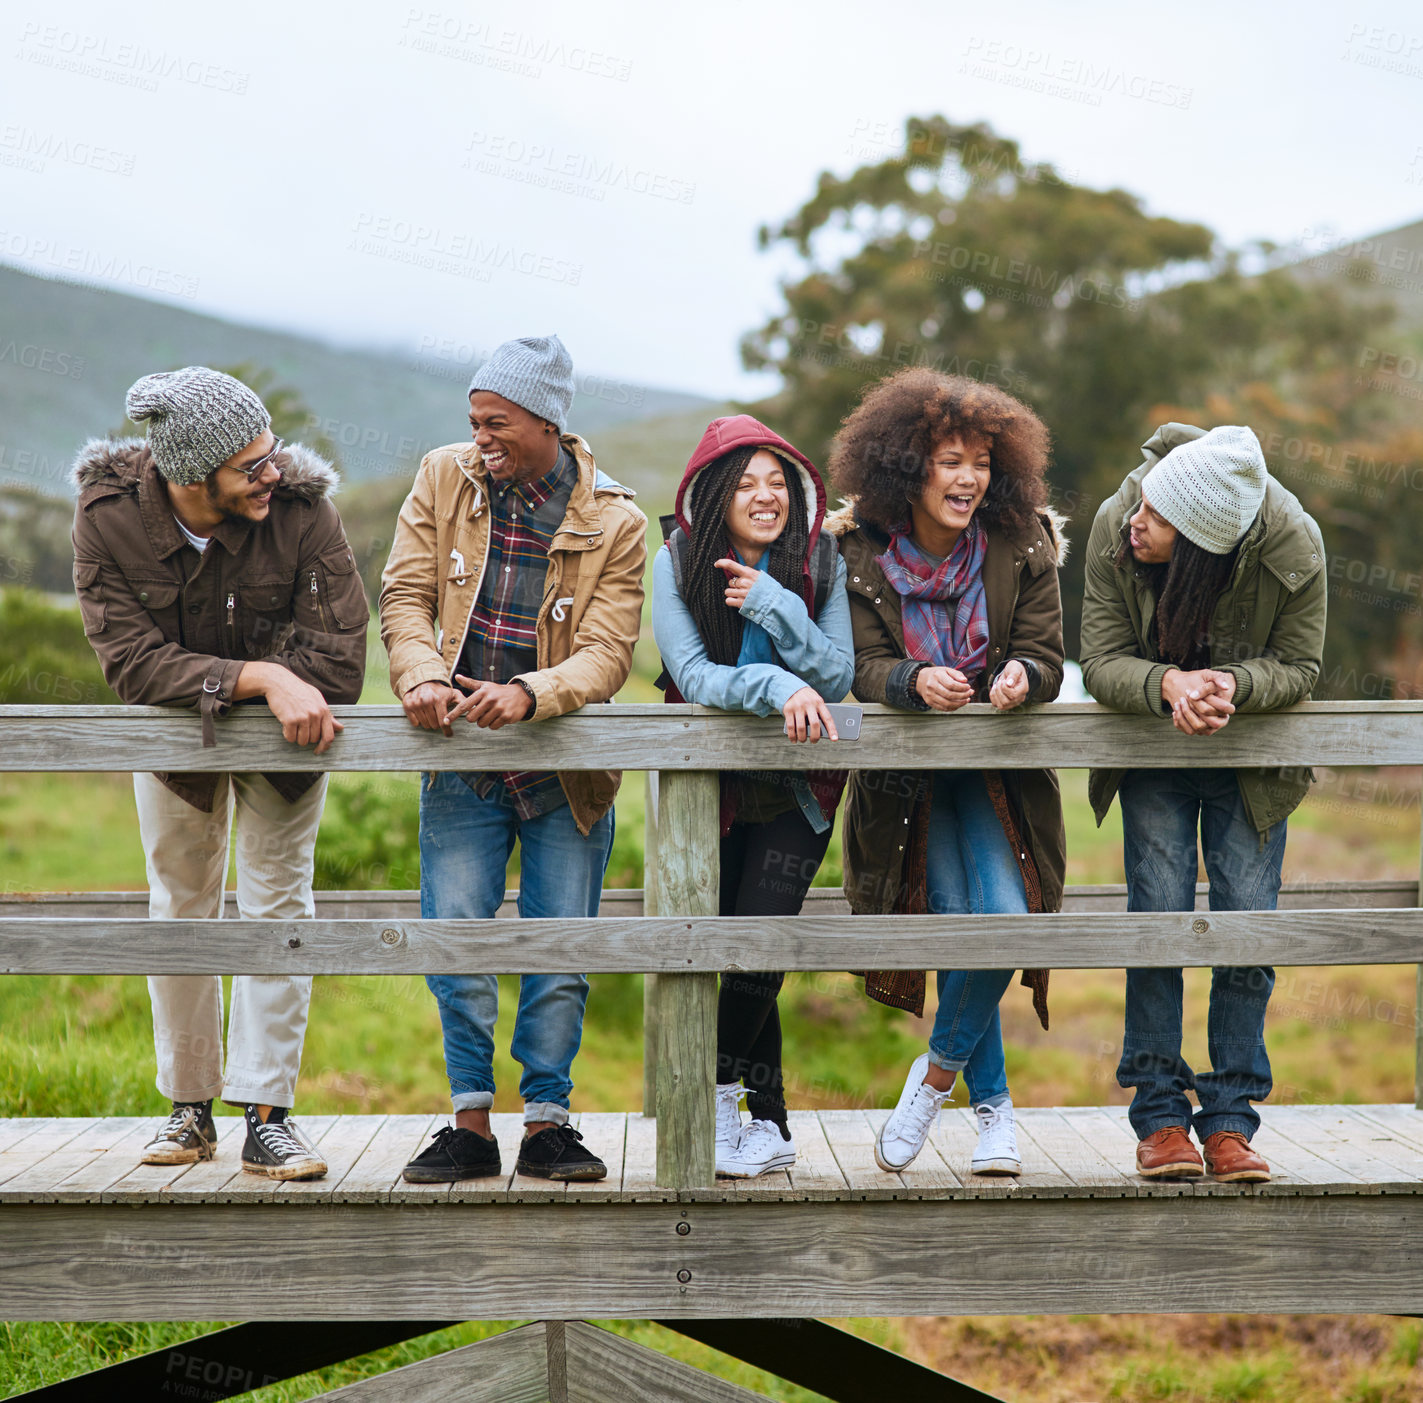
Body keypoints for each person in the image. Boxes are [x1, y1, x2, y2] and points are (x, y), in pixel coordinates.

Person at [72, 366, 369, 1179]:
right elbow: (131, 663)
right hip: (178, 750)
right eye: (252, 465)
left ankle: (267, 1117)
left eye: (270, 454)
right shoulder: (106, 521)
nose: (273, 473)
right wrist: (262, 679)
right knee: (180, 911)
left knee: (279, 907)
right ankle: (188, 1108)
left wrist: (272, 688)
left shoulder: (306, 512)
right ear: (190, 476)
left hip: (287, 751)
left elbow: (340, 659)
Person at [379, 334, 646, 1184]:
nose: (480, 437)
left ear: (546, 421)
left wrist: (531, 692)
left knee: (559, 952)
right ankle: (469, 1125)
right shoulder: (441, 477)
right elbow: (405, 594)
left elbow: (608, 652)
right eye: (473, 421)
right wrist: (419, 674)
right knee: (455, 944)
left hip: (562, 768)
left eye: (496, 423)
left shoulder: (618, 520)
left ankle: (547, 1125)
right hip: (460, 756)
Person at [825, 368, 1067, 1177]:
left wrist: (1021, 678)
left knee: (999, 922)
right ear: (905, 467)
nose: (968, 478)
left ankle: (933, 1081)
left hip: (1000, 780)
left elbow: (1045, 651)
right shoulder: (857, 548)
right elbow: (856, 664)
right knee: (966, 928)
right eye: (950, 460)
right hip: (907, 787)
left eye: (981, 463)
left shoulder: (1022, 538)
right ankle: (994, 1114)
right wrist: (908, 680)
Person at [1080, 423, 1326, 1184]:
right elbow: (1098, 659)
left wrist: (1234, 685)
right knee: (1157, 922)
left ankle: (1227, 1122)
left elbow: (1299, 664)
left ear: (1200, 542)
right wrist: (1166, 684)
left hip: (1249, 761)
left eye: (1155, 522)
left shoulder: (1295, 546)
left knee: (1245, 931)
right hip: (1154, 752)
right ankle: (1158, 1118)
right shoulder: (1117, 520)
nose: (1135, 523)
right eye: (1143, 508)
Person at [651, 415, 854, 1177]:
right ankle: (766, 1122)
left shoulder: (820, 560)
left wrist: (774, 602)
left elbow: (837, 675)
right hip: (713, 789)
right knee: (722, 944)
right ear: (713, 494)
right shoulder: (675, 560)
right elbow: (694, 675)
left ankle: (711, 1097)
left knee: (758, 947)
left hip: (799, 790)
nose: (764, 495)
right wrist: (774, 682)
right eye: (744, 483)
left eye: (777, 482)